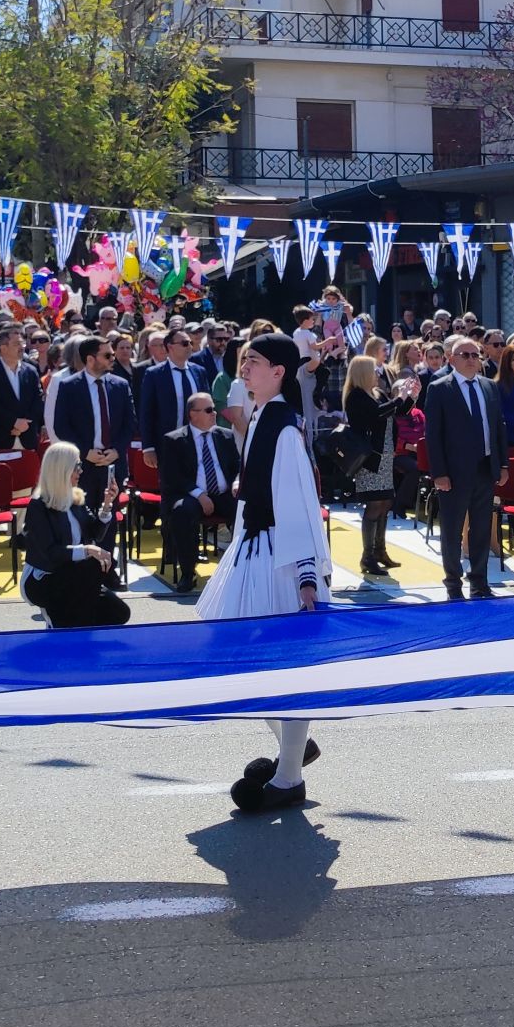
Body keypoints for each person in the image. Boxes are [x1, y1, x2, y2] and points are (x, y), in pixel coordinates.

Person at [195, 333, 332, 812]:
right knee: (240, 661)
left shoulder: (283, 427)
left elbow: (300, 505)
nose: (245, 368)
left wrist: (307, 575)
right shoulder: (261, 418)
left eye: (253, 362)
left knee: (277, 667)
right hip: (253, 549)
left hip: (278, 557)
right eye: (244, 361)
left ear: (279, 371)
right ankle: (294, 753)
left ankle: (290, 774)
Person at [424, 335, 506, 600]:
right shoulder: (439, 388)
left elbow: (498, 428)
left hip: (485, 468)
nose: (472, 360)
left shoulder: (489, 387)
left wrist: (502, 464)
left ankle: (480, 583)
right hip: (454, 473)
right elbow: (433, 435)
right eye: (465, 355)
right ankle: (453, 585)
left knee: (482, 528)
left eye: (476, 355)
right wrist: (439, 473)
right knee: (452, 530)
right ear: (452, 359)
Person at [22, 442, 130, 627]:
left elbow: (96, 533)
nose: (81, 471)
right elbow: (50, 553)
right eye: (77, 466)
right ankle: (63, 623)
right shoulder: (38, 505)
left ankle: (75, 623)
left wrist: (106, 506)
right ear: (61, 469)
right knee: (90, 568)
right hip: (45, 576)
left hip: (76, 574)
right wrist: (87, 550)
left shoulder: (75, 498)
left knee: (119, 613)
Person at [155, 393, 239, 592]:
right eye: (209, 410)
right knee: (182, 512)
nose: (214, 413)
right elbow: (171, 477)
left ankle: (240, 567)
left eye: (213, 409)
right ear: (193, 414)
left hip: (223, 493)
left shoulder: (225, 435)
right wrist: (199, 494)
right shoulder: (174, 440)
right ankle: (187, 572)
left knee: (247, 505)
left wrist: (236, 482)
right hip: (190, 495)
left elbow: (237, 467)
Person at [50, 334, 132, 528]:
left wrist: (117, 451)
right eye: (107, 356)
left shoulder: (120, 385)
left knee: (109, 519)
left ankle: (107, 558)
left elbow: (129, 425)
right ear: (90, 359)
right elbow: (61, 427)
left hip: (112, 465)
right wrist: (86, 452)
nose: (113, 359)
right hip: (82, 467)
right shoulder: (69, 386)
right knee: (81, 521)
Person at [341, 355, 408, 581]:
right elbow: (376, 415)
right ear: (362, 372)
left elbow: (393, 411)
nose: (378, 374)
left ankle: (380, 550)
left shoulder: (376, 393)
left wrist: (408, 398)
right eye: (373, 370)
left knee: (386, 501)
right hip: (371, 458)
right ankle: (367, 556)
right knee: (374, 504)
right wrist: (399, 399)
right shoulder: (356, 397)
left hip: (386, 455)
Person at [0, 322, 44, 454]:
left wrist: (24, 424)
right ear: (4, 348)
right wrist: (13, 423)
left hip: (27, 439)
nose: (22, 347)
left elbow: (38, 401)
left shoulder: (31, 370)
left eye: (22, 343)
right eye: (17, 344)